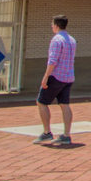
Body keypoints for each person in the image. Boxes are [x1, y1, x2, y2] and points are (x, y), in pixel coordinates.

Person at [35, 15, 76, 145]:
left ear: (57, 25)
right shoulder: (72, 40)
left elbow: (53, 60)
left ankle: (47, 132)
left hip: (56, 76)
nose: (52, 27)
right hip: (68, 77)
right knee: (65, 105)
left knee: (41, 102)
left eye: (52, 24)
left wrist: (46, 76)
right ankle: (66, 135)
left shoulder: (57, 40)